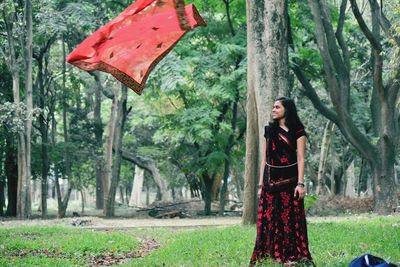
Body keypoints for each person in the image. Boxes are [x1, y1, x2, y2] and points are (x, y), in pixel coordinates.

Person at [249, 96, 314, 266]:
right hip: (270, 183)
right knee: (271, 219)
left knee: (289, 219)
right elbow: (265, 159)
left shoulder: (298, 131)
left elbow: (301, 158)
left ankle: (291, 256)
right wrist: (260, 185)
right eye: (273, 107)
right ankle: (273, 255)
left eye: (277, 107)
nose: (273, 110)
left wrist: (300, 184)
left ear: (287, 109)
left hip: (291, 182)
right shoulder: (269, 130)